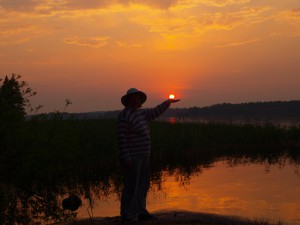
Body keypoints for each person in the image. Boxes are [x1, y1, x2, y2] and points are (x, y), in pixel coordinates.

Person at [117, 88, 180, 224]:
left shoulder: (142, 113)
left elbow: (155, 111)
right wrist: (126, 157)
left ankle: (142, 212)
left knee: (143, 185)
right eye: (133, 98)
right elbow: (121, 138)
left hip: (144, 156)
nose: (136, 100)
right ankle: (127, 216)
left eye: (138, 98)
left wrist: (168, 102)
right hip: (132, 157)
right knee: (131, 186)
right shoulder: (124, 115)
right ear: (128, 100)